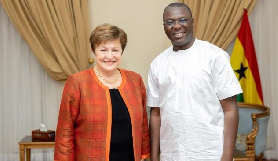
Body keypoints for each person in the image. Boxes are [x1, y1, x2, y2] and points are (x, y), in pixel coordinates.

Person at [147, 3, 243, 161]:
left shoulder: (215, 56)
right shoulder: (158, 63)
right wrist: (155, 156)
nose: (177, 26)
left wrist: (227, 156)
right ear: (164, 26)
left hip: (210, 153)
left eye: (182, 20)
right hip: (171, 154)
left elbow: (231, 110)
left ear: (192, 22)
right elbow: (156, 114)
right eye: (170, 22)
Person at [54, 23, 150, 161]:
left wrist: (144, 154)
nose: (109, 56)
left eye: (115, 50)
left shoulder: (135, 80)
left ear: (122, 51)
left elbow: (143, 124)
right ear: (94, 50)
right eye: (103, 50)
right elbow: (65, 132)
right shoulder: (77, 82)